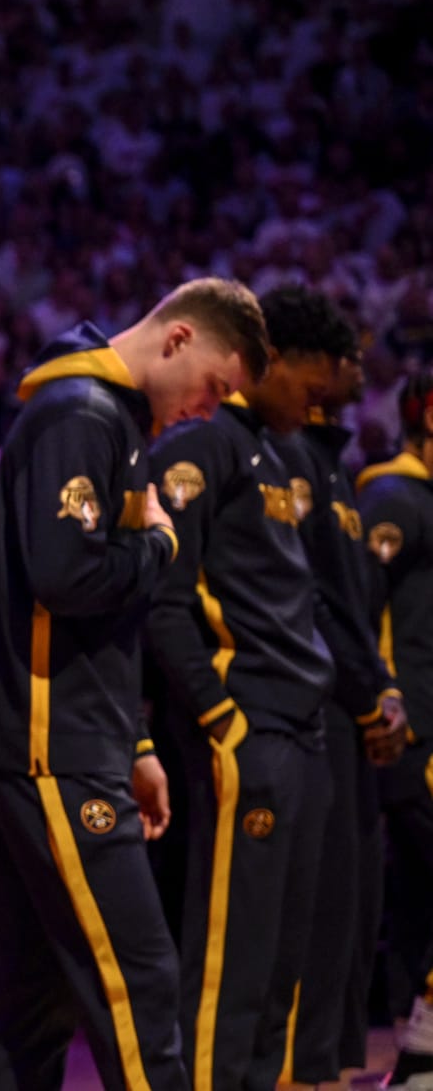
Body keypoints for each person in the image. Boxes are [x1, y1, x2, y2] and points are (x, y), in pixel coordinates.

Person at [0, 279, 269, 1091]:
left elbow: (100, 624)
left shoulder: (110, 417)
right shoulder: (81, 413)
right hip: (49, 744)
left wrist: (136, 740)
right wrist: (159, 548)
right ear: (177, 340)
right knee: (141, 974)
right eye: (215, 389)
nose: (210, 410)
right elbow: (67, 576)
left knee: (35, 998)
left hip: (66, 735)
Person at [147, 286, 356, 1090]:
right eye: (312, 386)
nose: (321, 405)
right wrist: (221, 715)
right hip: (251, 728)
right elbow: (166, 605)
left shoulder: (280, 453)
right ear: (270, 361)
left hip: (301, 728)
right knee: (232, 962)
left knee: (280, 964)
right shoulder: (203, 447)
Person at [272, 343, 407, 1087]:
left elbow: (358, 608)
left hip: (354, 704)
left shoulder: (338, 473)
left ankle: (324, 1065)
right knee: (317, 903)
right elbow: (311, 603)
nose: (361, 366)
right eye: (345, 354)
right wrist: (366, 691)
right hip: (315, 709)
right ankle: (298, 1067)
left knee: (354, 906)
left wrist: (379, 685)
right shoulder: (289, 461)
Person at [356, 370, 433, 1089]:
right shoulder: (394, 497)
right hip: (409, 737)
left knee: (415, 898)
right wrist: (384, 707)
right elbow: (355, 610)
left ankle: (415, 1061)